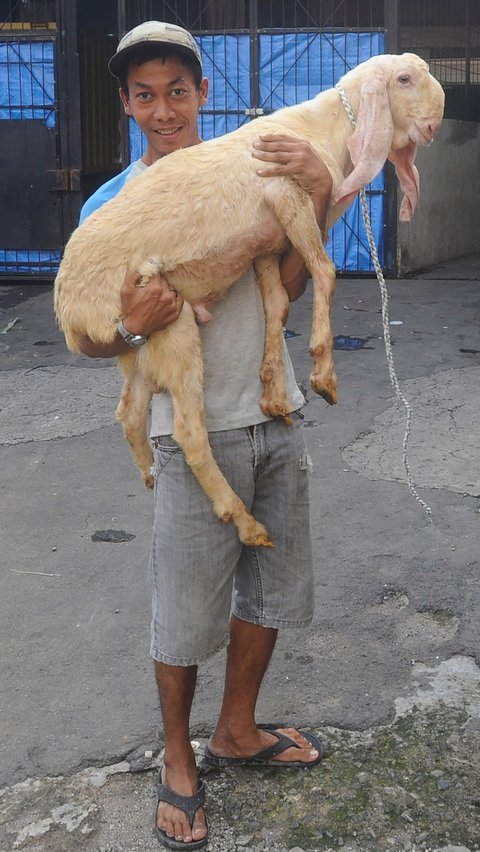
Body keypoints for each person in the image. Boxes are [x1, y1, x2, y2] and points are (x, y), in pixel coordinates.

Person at [78, 20, 333, 850]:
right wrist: (127, 322)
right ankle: (179, 758)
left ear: (203, 96)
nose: (163, 110)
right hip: (188, 435)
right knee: (187, 614)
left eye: (177, 92)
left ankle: (238, 731)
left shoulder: (247, 168)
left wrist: (322, 192)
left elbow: (286, 283)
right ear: (126, 104)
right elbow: (87, 337)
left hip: (272, 410)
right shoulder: (111, 207)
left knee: (270, 593)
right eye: (145, 96)